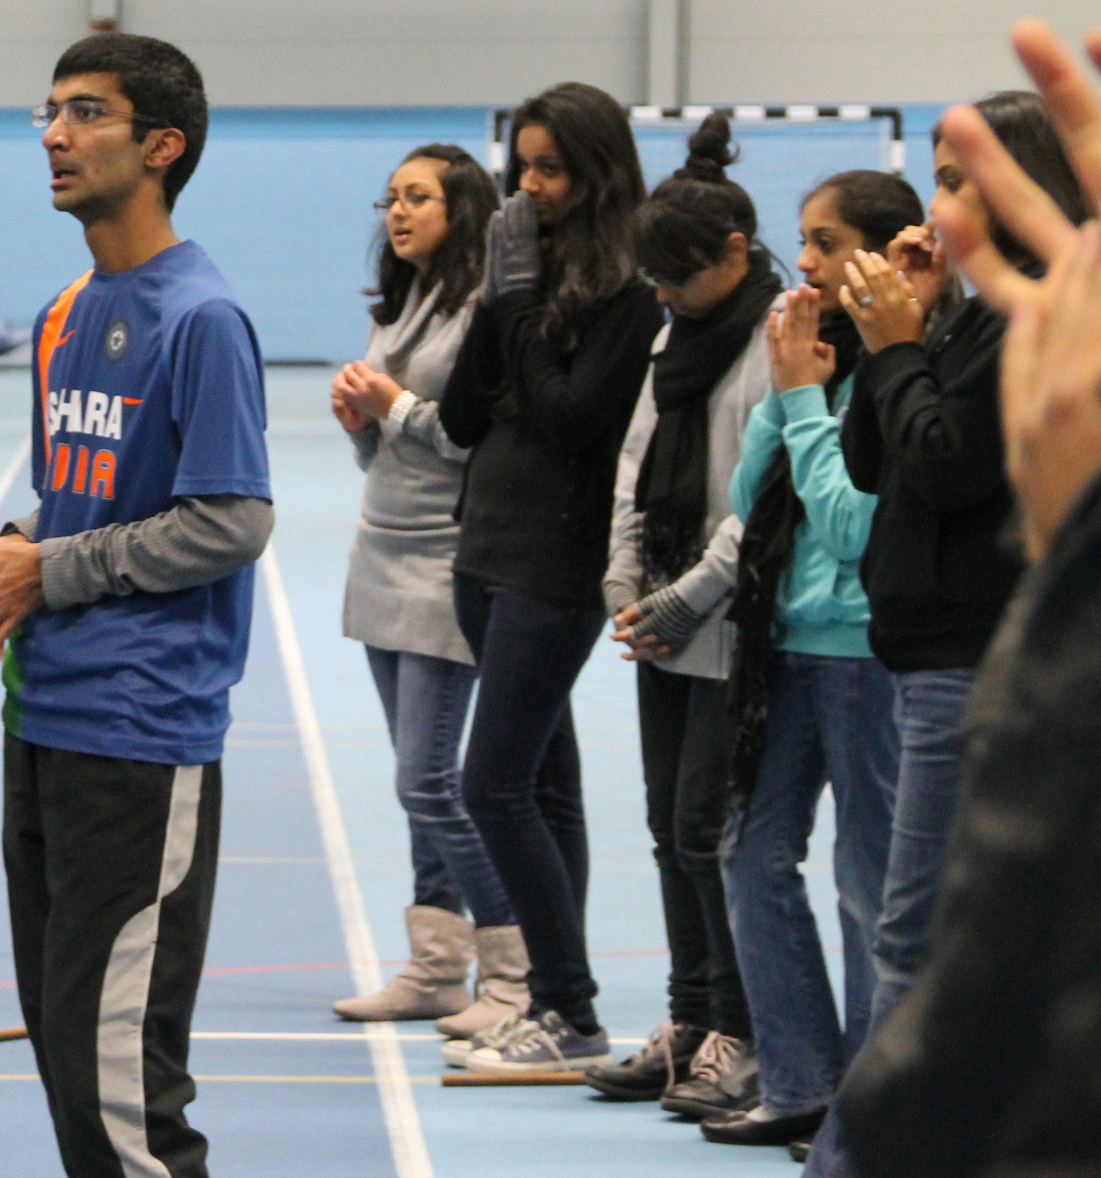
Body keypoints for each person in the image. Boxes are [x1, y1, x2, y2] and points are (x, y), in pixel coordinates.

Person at [0, 33, 271, 1178]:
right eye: (49, 113)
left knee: (123, 1084)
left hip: (141, 728)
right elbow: (71, 494)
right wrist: (10, 553)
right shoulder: (66, 312)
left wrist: (51, 571)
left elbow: (230, 520)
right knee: (72, 1055)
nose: (54, 137)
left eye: (86, 114)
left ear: (161, 146)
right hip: (45, 719)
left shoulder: (202, 319)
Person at [838, 18, 1101, 1177]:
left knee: (918, 934)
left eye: (963, 184)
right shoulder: (951, 319)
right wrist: (885, 341)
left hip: (967, 645)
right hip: (920, 646)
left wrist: (900, 349)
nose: (933, 210)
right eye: (939, 181)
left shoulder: (1021, 330)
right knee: (900, 916)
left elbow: (947, 459)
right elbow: (876, 461)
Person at [697, 172, 923, 1148]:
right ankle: (799, 1080)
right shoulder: (820, 366)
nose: (812, 264)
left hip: (868, 654)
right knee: (749, 851)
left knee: (871, 882)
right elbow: (751, 499)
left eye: (827, 243)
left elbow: (847, 525)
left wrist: (800, 401)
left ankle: (871, 1109)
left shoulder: (903, 366)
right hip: (780, 649)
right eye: (807, 242)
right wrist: (786, 387)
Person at [438, 81, 658, 1074]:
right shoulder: (526, 271)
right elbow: (457, 417)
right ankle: (561, 1011)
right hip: (485, 545)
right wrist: (496, 296)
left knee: (490, 784)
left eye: (550, 168)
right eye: (522, 166)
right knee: (545, 783)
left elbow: (574, 419)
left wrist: (520, 305)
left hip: (555, 562)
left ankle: (563, 1006)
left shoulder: (631, 289)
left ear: (597, 172)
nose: (530, 187)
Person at [586, 115, 776, 1114]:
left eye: (678, 277)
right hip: (663, 618)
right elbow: (634, 460)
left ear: (737, 255)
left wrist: (692, 592)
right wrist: (625, 583)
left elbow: (765, 497)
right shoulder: (674, 334)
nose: (662, 296)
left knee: (711, 828)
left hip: (736, 626)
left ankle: (742, 1031)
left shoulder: (783, 340)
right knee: (668, 826)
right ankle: (690, 1019)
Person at [325, 144, 519, 1032]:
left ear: (463, 209)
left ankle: (517, 970)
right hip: (381, 550)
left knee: (428, 779)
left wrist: (393, 404)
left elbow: (473, 440)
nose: (397, 213)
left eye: (418, 198)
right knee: (418, 782)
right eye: (390, 199)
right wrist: (363, 423)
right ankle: (437, 967)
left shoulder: (483, 310)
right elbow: (390, 449)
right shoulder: (401, 304)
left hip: (448, 558)